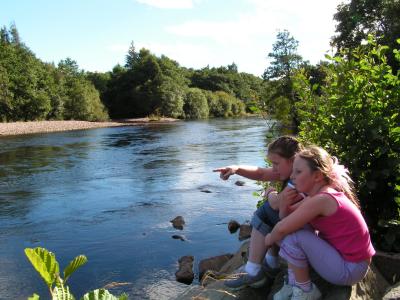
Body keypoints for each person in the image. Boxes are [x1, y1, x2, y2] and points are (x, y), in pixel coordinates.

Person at [265, 146, 375, 300]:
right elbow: (288, 219)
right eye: (293, 171)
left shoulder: (322, 200)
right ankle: (294, 282)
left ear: (317, 176)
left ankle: (306, 290)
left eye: (298, 172)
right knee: (295, 229)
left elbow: (282, 228)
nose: (292, 176)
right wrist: (283, 204)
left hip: (351, 268)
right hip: (347, 261)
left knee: (293, 237)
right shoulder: (318, 196)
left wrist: (269, 239)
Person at [213, 135, 304, 290]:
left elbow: (276, 204)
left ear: (293, 159)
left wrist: (269, 192)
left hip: (307, 233)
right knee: (271, 214)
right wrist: (236, 168)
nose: (274, 168)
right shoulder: (296, 169)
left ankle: (253, 271)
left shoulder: (298, 178)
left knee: (265, 211)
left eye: (276, 163)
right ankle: (271, 262)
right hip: (300, 225)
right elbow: (261, 173)